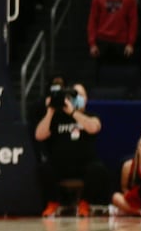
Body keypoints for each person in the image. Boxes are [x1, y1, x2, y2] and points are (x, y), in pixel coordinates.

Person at [34, 77, 107, 217]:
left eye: (80, 95)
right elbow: (39, 135)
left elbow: (93, 128)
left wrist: (73, 113)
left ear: (86, 99)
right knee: (44, 168)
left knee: (97, 170)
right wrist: (50, 111)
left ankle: (84, 204)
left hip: (84, 165)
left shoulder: (91, 115)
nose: (77, 97)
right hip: (60, 165)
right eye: (74, 94)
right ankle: (52, 203)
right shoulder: (57, 117)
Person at [111, 129, 141, 217]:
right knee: (116, 197)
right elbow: (124, 188)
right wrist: (131, 196)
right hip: (132, 201)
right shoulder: (128, 166)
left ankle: (131, 212)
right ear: (137, 148)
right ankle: (140, 212)